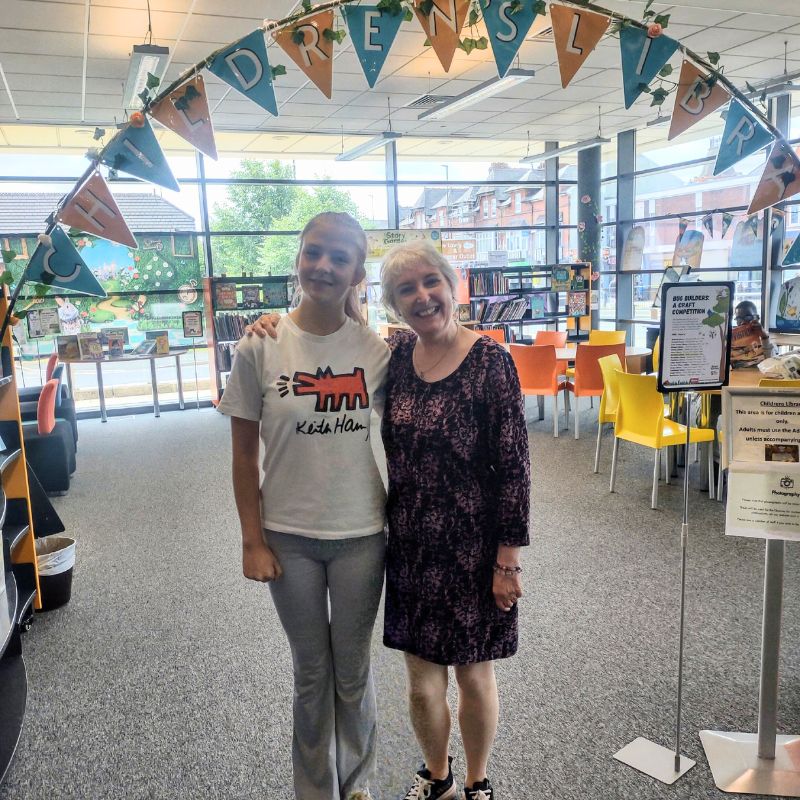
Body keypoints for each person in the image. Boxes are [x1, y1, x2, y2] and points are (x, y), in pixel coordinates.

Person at [250, 240, 531, 800]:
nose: (422, 297)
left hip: (475, 550)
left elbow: (516, 467)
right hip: (407, 542)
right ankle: (438, 776)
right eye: (406, 289)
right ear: (394, 303)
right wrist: (273, 320)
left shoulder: (491, 362)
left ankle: (477, 782)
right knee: (422, 680)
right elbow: (333, 328)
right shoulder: (395, 357)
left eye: (431, 282)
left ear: (453, 287)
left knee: (473, 673)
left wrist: (508, 560)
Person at [218, 212, 390, 800]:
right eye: (313, 253)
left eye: (339, 258)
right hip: (286, 535)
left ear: (357, 273)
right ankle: (316, 791)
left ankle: (359, 784)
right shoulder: (260, 345)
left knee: (353, 671)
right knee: (311, 672)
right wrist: (251, 540)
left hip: (362, 533)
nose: (323, 266)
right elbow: (244, 457)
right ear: (298, 257)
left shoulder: (377, 351)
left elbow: (415, 433)